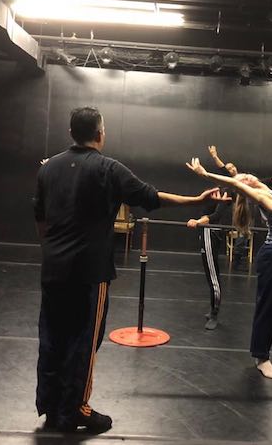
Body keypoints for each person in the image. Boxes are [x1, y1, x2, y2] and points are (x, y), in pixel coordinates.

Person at [33, 107, 228, 433]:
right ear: (100, 134)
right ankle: (75, 410)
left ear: (70, 133)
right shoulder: (108, 169)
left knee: (52, 337)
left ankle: (50, 406)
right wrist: (196, 200)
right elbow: (152, 197)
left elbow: (39, 217)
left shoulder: (48, 168)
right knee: (84, 340)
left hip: (53, 269)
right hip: (89, 274)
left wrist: (52, 250)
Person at [186, 157, 272, 380]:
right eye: (243, 179)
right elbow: (235, 185)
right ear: (247, 187)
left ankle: (261, 353)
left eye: (245, 175)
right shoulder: (263, 197)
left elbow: (260, 181)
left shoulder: (266, 190)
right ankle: (262, 358)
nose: (246, 176)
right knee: (269, 307)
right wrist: (205, 174)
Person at [207, 145, 272, 269]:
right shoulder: (232, 182)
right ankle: (237, 258)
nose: (231, 169)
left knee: (245, 234)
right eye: (229, 168)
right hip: (240, 211)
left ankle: (238, 257)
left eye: (233, 167)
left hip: (251, 211)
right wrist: (214, 156)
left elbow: (267, 181)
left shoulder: (249, 183)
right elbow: (223, 168)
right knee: (242, 233)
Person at [187, 198, 232, 330]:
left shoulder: (226, 193)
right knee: (210, 274)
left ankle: (214, 314)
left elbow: (215, 216)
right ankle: (213, 308)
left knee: (213, 276)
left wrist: (198, 222)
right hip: (206, 232)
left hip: (210, 232)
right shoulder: (214, 192)